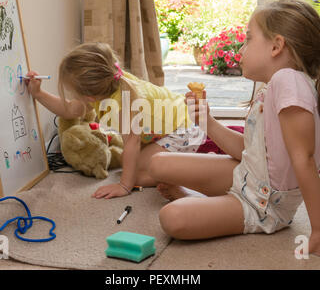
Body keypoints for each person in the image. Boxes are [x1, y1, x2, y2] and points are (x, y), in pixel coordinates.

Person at [149, 0, 320, 259]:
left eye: (248, 38)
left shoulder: (288, 82)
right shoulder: (277, 83)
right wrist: (207, 121)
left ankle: (202, 201)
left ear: (277, 46)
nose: (241, 47)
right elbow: (251, 149)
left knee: (172, 218)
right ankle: (210, 200)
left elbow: (304, 161)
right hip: (249, 174)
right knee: (158, 163)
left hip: (262, 202)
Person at [26, 42, 205, 199]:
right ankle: (187, 162)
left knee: (135, 175)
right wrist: (38, 94)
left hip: (186, 128)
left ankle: (197, 171)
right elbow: (71, 110)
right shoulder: (106, 86)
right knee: (130, 167)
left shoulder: (124, 105)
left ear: (88, 96)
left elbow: (132, 144)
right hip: (162, 131)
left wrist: (125, 186)